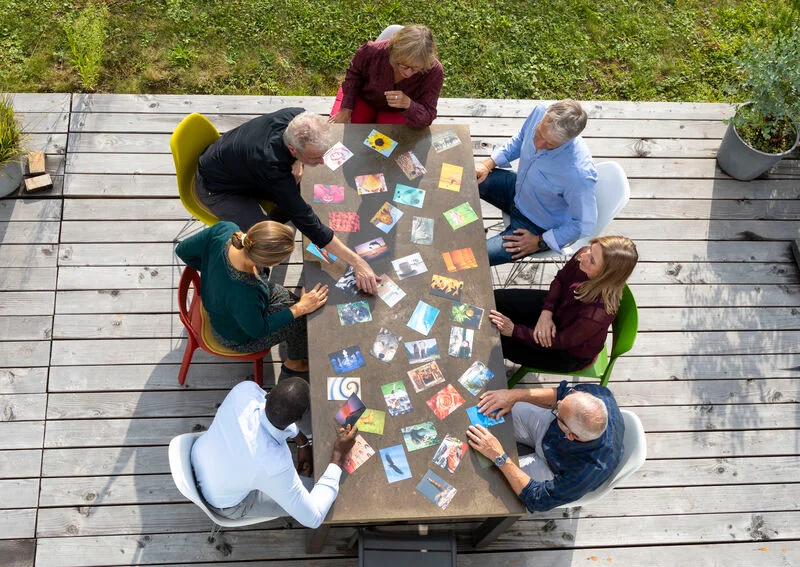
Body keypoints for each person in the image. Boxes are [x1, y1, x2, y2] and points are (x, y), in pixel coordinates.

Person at [196, 107, 379, 293]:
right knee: (264, 241)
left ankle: (279, 215)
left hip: (239, 166)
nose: (323, 161)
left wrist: (298, 161)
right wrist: (357, 262)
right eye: (315, 157)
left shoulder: (297, 116)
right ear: (292, 148)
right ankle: (256, 281)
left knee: (292, 196)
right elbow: (309, 223)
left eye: (324, 153)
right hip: (217, 189)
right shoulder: (272, 166)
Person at [191, 377, 358, 528]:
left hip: (198, 454)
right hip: (222, 502)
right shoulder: (275, 466)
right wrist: (338, 455)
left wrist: (302, 442)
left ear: (268, 394)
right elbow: (313, 519)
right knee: (319, 494)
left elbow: (274, 414)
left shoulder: (244, 390)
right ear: (300, 419)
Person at [175, 220, 328, 376]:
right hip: (233, 334)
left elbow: (182, 250)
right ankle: (294, 363)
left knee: (295, 304)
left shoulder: (225, 229)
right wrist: (300, 308)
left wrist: (212, 274)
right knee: (300, 319)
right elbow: (257, 330)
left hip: (223, 304)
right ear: (269, 262)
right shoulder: (244, 291)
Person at [466, 380, 624, 511]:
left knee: (489, 478)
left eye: (557, 411)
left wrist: (499, 456)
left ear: (571, 435)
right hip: (550, 428)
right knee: (493, 408)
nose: (558, 403)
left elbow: (537, 499)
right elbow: (559, 395)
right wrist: (513, 395)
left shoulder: (586, 473)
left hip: (554, 468)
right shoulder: (597, 394)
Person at [490, 235, 638, 373]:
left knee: (499, 344)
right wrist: (546, 313)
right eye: (591, 249)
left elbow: (562, 341)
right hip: (558, 307)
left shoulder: (599, 312)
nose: (583, 256)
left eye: (592, 260)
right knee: (497, 299)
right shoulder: (584, 255)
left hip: (566, 352)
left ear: (606, 275)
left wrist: (514, 330)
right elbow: (560, 279)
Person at [476, 99, 598, 266]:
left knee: (472, 258)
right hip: (517, 189)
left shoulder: (579, 175)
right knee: (464, 177)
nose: (538, 144)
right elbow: (520, 139)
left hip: (535, 226)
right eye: (539, 133)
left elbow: (584, 224)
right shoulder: (541, 110)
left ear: (567, 141)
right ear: (544, 117)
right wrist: (487, 164)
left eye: (549, 144)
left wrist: (540, 241)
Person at [329, 25, 443, 128]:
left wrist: (408, 104)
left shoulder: (434, 71)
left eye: (416, 68)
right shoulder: (372, 51)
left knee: (394, 142)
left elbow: (428, 115)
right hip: (364, 97)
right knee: (339, 130)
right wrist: (346, 109)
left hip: (397, 111)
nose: (408, 73)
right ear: (393, 52)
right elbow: (353, 77)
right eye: (403, 65)